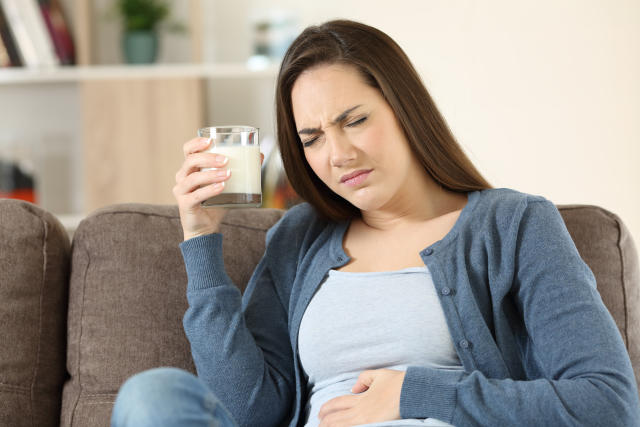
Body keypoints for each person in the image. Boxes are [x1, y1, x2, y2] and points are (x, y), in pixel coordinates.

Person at [111, 19, 640, 427]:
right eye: (312, 137)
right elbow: (249, 411)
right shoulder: (298, 240)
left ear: (404, 109)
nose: (338, 155)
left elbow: (608, 403)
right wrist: (200, 241)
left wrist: (415, 391)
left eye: (355, 120)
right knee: (150, 394)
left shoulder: (515, 225)